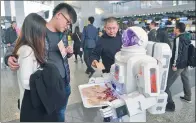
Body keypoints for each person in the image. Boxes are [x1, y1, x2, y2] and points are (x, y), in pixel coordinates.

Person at [4, 3, 77, 122]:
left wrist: (68, 52)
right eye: (67, 22)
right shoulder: (39, 29)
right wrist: (8, 57)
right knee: (52, 115)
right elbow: (17, 44)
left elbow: (62, 53)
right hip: (47, 86)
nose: (68, 26)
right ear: (59, 15)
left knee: (61, 112)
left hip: (64, 83)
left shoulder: (62, 34)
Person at [12, 13, 61, 122]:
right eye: (42, 32)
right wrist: (47, 75)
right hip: (31, 103)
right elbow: (27, 82)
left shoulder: (29, 48)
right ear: (35, 32)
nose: (44, 35)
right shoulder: (27, 50)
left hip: (33, 100)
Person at [165, 22, 191, 112]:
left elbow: (177, 53)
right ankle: (188, 96)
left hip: (179, 65)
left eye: (174, 28)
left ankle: (170, 105)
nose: (173, 29)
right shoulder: (187, 37)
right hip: (185, 64)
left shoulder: (178, 39)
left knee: (166, 84)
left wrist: (174, 65)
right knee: (185, 79)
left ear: (178, 29)